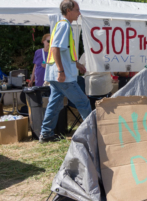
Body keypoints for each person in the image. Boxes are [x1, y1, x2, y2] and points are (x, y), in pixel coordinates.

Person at [39, 0, 91, 143]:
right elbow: (55, 48)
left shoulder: (60, 25)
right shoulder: (64, 26)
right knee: (83, 103)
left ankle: (46, 133)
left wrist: (77, 64)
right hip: (64, 76)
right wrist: (61, 71)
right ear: (68, 10)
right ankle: (91, 133)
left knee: (54, 104)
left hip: (56, 75)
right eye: (77, 9)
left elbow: (64, 52)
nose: (79, 13)